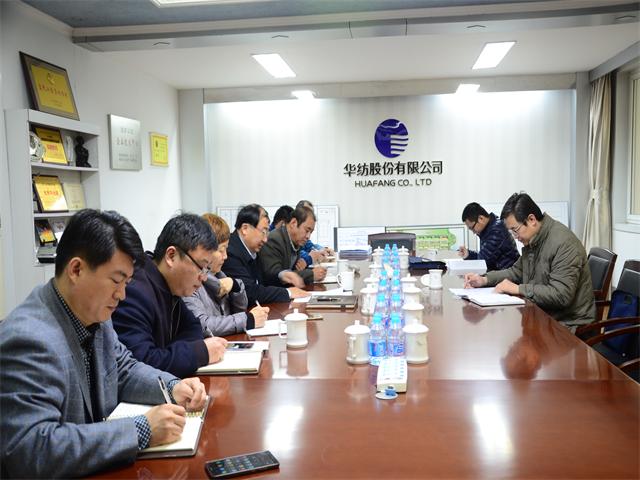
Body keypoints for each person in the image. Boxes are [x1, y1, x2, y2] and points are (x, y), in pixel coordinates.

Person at [0, 209, 207, 478]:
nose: (122, 295)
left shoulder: (94, 314)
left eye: (127, 283)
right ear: (76, 269)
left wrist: (172, 387)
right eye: (116, 281)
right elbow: (31, 450)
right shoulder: (29, 338)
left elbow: (123, 369)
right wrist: (141, 430)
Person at [112, 213, 227, 378]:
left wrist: (168, 354)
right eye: (201, 267)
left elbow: (194, 328)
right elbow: (141, 366)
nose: (203, 278)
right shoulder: (134, 291)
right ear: (171, 256)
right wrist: (199, 352)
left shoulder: (170, 286)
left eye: (207, 269)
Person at [464, 193, 595, 330]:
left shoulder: (564, 243)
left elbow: (561, 295)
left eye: (515, 230)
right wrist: (484, 280)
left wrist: (518, 289)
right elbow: (516, 271)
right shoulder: (534, 240)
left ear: (531, 219)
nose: (515, 237)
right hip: (542, 314)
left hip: (567, 324)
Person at [184, 213, 269, 336]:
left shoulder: (220, 275)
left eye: (226, 249)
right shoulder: (190, 283)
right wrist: (248, 320)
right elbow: (202, 325)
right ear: (205, 251)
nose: (225, 256)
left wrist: (235, 287)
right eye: (221, 250)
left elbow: (238, 311)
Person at [221, 204, 309, 305]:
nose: (265, 239)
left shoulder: (252, 249)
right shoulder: (230, 253)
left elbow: (263, 280)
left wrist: (282, 275)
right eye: (263, 232)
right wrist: (288, 292)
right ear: (245, 228)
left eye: (267, 232)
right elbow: (248, 291)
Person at [258, 206, 327, 287]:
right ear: (293, 223)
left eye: (310, 232)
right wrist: (311, 274)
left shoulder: (295, 241)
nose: (308, 236)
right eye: (307, 230)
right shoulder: (274, 239)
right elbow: (275, 276)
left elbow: (293, 271)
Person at [458, 202, 520, 271]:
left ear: (481, 218)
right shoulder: (488, 230)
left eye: (472, 228)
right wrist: (468, 254)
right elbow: (483, 257)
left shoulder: (496, 231)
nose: (473, 232)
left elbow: (482, 262)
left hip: (511, 275)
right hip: (503, 274)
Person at [295, 199, 334, 266]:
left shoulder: (304, 235)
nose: (308, 236)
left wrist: (322, 249)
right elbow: (296, 253)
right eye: (307, 212)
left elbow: (310, 245)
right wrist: (311, 257)